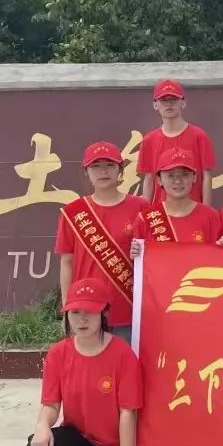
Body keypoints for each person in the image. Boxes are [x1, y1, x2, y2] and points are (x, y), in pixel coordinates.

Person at [15, 278, 142, 446]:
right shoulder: (58, 354)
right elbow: (51, 404)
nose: (82, 319)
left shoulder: (123, 355)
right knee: (36, 444)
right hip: (80, 436)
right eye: (75, 312)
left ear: (104, 312)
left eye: (90, 312)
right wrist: (42, 425)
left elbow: (128, 414)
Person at [56, 142, 148, 344]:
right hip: (87, 309)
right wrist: (68, 307)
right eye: (96, 166)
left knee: (127, 361)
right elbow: (67, 262)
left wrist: (141, 252)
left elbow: (154, 257)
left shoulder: (141, 207)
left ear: (120, 170)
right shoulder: (73, 212)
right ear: (86, 172)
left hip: (129, 308)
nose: (103, 171)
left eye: (110, 165)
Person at [137, 79, 217, 206]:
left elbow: (206, 176)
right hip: (161, 212)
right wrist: (146, 210)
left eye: (173, 99)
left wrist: (206, 209)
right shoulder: (149, 140)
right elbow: (148, 179)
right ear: (155, 105)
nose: (169, 104)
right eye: (164, 100)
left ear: (183, 103)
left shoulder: (199, 136)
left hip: (193, 208)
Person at [131, 148, 222, 254]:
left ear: (194, 177)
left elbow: (218, 258)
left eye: (184, 174)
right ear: (159, 180)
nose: (178, 181)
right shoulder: (145, 219)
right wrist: (135, 255)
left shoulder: (210, 216)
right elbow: (141, 261)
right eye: (171, 175)